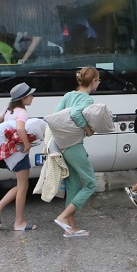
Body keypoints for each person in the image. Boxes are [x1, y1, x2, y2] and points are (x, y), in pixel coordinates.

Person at [53, 68, 100, 238]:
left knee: (73, 184)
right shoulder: (87, 99)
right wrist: (87, 128)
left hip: (62, 144)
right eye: (98, 80)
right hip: (74, 145)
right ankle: (64, 217)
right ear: (93, 81)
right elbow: (75, 113)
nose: (98, 83)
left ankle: (70, 228)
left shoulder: (68, 95)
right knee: (91, 183)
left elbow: (56, 115)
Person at [0, 82, 38, 232]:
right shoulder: (22, 112)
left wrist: (9, 133)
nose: (33, 97)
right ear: (23, 98)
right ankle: (19, 222)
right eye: (30, 95)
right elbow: (21, 128)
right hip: (19, 152)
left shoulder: (8, 110)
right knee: (23, 186)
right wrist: (27, 144)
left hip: (11, 153)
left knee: (22, 184)